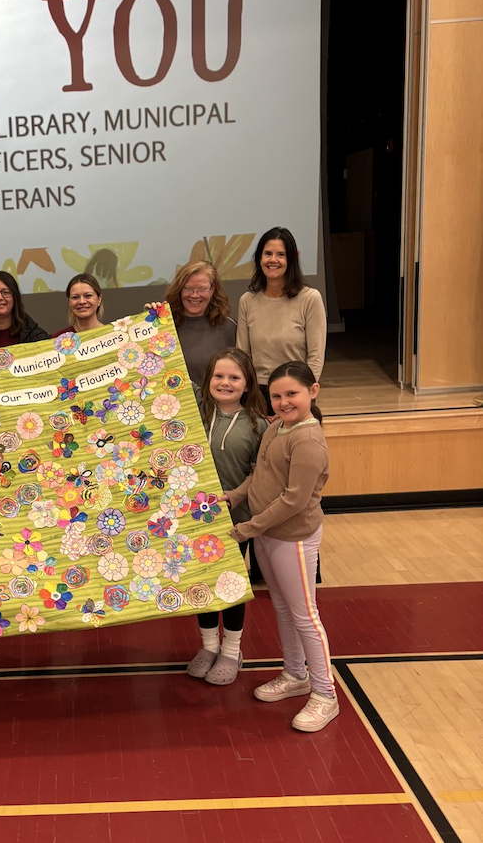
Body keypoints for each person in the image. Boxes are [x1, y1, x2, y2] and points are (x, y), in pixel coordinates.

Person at [222, 361, 337, 732]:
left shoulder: (308, 440)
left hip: (293, 537)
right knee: (284, 609)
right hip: (267, 534)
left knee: (305, 615)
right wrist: (236, 495)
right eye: (277, 395)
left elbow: (294, 500)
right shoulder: (275, 427)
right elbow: (259, 473)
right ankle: (294, 674)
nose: (284, 402)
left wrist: (246, 529)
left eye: (292, 394)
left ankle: (325, 694)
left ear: (312, 392)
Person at [186, 349, 268, 686]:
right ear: (207, 382)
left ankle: (232, 650)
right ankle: (208, 646)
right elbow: (162, 366)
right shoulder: (194, 412)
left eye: (234, 377)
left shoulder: (259, 425)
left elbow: (259, 471)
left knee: (230, 583)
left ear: (248, 384)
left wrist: (236, 495)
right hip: (194, 518)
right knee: (201, 583)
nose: (225, 382)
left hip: (235, 518)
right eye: (218, 376)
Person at [236, 227, 327, 414]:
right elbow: (242, 354)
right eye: (267, 253)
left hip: (295, 392)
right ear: (259, 259)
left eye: (281, 254)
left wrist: (304, 392)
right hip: (257, 393)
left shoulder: (310, 298)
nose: (273, 260)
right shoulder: (247, 300)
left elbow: (316, 357)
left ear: (291, 260)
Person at [148, 261, 236, 387]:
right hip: (168, 405)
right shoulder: (163, 325)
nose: (194, 295)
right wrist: (147, 323)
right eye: (188, 288)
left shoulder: (228, 328)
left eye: (202, 289)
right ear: (179, 289)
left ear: (213, 289)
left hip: (213, 405)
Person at [53, 273, 104, 337]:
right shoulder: (58, 339)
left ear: (99, 299)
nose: (82, 301)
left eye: (88, 295)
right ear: (69, 302)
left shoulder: (114, 336)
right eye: (75, 297)